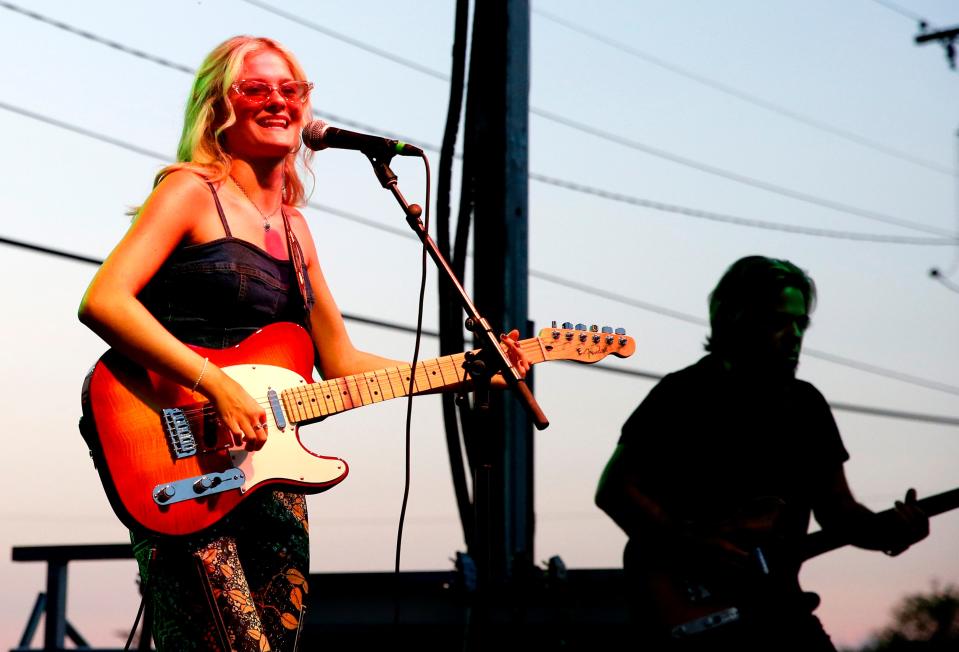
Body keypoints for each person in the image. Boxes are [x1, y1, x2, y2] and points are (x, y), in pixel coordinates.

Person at [78, 35, 529, 651]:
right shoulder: (188, 192)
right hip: (180, 448)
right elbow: (104, 301)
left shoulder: (297, 231)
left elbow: (341, 364)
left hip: (267, 469)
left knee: (277, 642)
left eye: (290, 90)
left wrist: (468, 371)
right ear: (219, 109)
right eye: (255, 88)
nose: (277, 101)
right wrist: (217, 385)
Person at [595, 255, 929, 651]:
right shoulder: (684, 394)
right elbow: (616, 490)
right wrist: (692, 545)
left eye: (800, 323)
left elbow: (839, 511)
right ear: (735, 317)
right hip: (696, 621)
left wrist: (892, 533)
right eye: (777, 321)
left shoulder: (806, 406)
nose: (793, 335)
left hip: (778, 608)